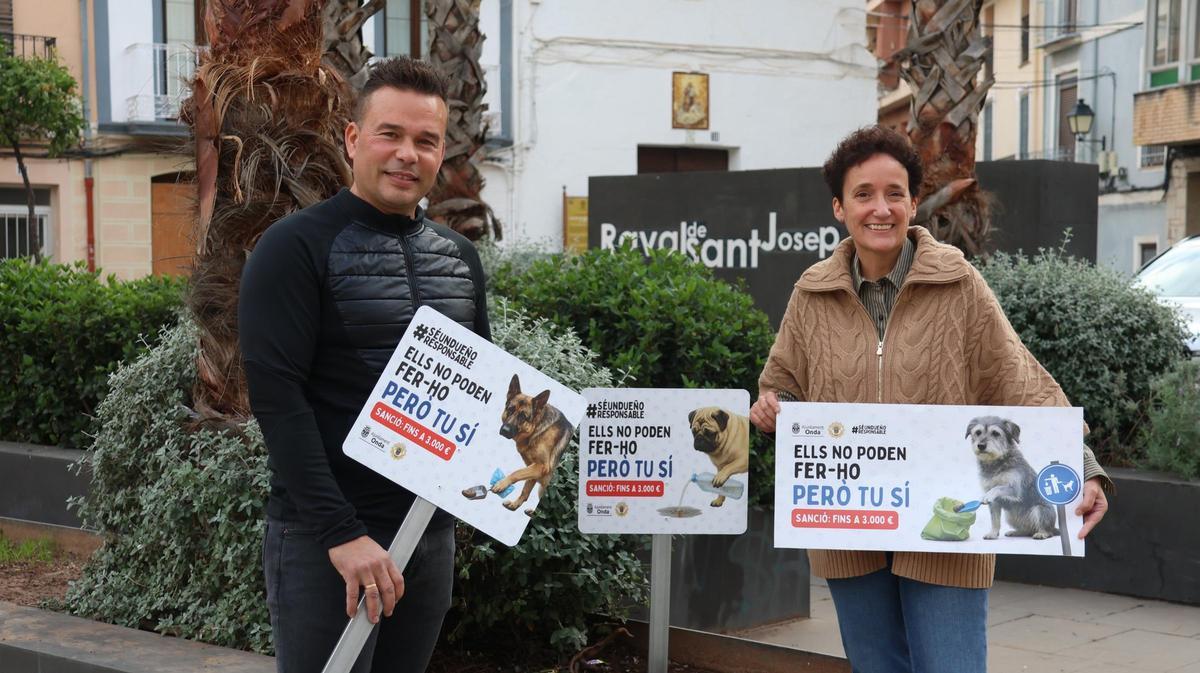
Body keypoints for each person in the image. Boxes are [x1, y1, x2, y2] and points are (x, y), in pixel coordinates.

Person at [749, 125, 1111, 673]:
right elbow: (782, 383)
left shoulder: (958, 284)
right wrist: (772, 405)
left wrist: (1083, 467)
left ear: (914, 203)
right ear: (839, 207)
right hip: (849, 529)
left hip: (948, 532)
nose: (881, 208)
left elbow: (1015, 378)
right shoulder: (812, 292)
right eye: (863, 194)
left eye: (894, 193)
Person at [239, 57, 490, 673]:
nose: (407, 154)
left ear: (441, 152)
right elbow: (278, 399)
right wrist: (341, 534)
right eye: (390, 134)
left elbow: (477, 394)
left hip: (426, 537)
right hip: (326, 543)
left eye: (425, 140)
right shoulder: (293, 248)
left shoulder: (460, 258)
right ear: (353, 139)